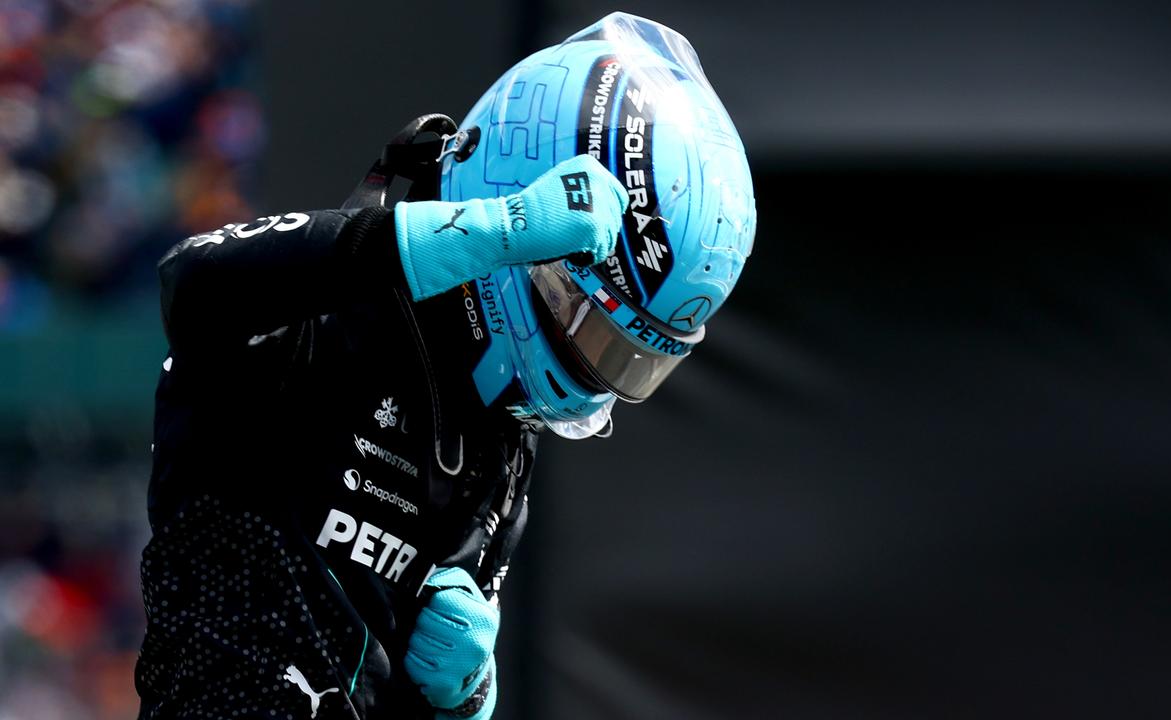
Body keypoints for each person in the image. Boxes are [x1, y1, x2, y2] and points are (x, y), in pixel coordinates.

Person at [134, 12, 755, 720]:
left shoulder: (501, 450)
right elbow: (195, 285)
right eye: (587, 323)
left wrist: (469, 699)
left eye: (624, 355)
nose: (591, 368)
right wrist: (499, 228)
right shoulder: (327, 311)